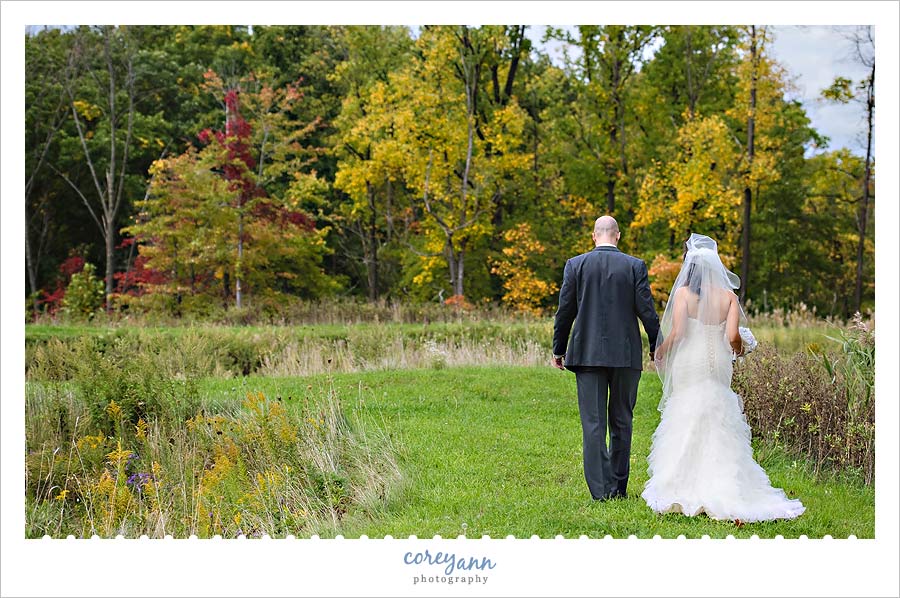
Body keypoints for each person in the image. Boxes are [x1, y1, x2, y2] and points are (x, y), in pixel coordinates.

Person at [641, 233, 805, 522]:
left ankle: (680, 480)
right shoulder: (730, 297)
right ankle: (725, 483)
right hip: (717, 362)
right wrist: (741, 349)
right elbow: (731, 337)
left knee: (687, 410)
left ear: (689, 268)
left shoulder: (683, 294)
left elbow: (678, 332)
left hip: (690, 360)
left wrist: (661, 352)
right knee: (717, 411)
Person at [553, 215, 660, 501]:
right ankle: (618, 489)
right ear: (618, 236)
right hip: (625, 355)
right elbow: (646, 309)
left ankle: (600, 492)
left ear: (593, 236)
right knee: (622, 420)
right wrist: (655, 344)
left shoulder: (576, 265)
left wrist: (558, 348)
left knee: (594, 423)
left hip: (586, 353)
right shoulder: (634, 266)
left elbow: (565, 311)